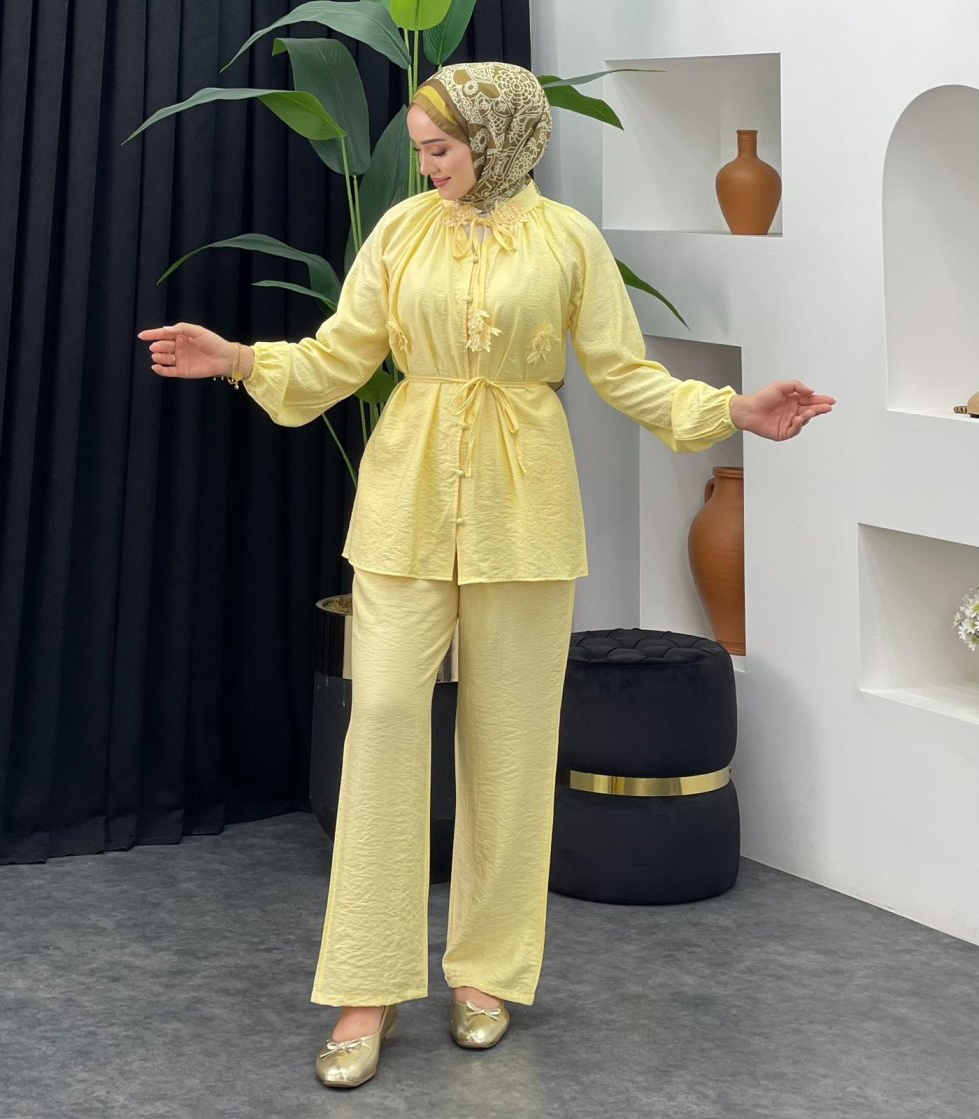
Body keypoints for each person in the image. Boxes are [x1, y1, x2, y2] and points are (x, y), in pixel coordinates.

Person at [137, 61, 835, 1089]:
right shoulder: (399, 232)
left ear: (497, 140)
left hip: (525, 506)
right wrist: (239, 358)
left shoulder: (569, 242)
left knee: (509, 741)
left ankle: (486, 973)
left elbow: (625, 373)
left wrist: (731, 411)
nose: (424, 166)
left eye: (439, 149)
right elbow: (336, 357)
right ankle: (366, 986)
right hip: (406, 500)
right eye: (421, 149)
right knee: (382, 718)